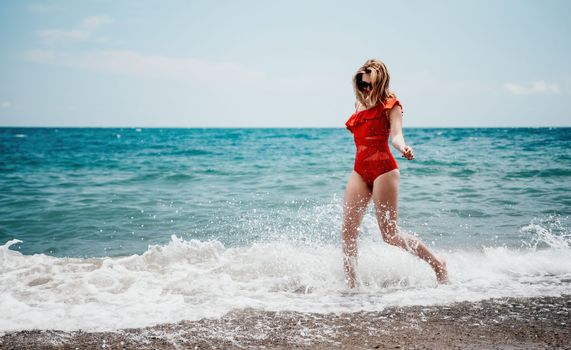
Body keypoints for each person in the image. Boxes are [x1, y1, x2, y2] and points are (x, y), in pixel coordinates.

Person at [342, 59, 448, 288]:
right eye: (362, 84)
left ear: (380, 82)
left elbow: (396, 136)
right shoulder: (359, 105)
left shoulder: (391, 105)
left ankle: (438, 264)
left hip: (384, 171)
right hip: (359, 170)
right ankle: (351, 287)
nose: (365, 89)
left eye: (369, 85)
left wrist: (404, 148)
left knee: (389, 235)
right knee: (348, 232)